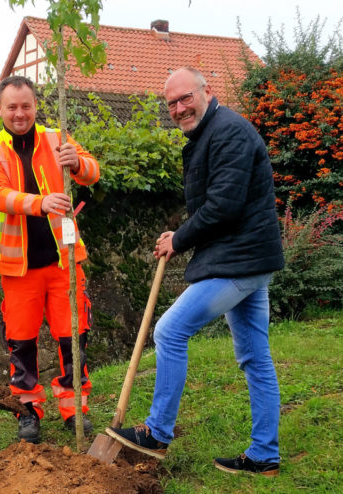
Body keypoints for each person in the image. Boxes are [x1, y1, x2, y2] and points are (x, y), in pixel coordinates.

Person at [106, 67, 284, 477]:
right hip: (249, 258)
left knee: (169, 331)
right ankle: (264, 456)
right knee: (256, 357)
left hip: (240, 261)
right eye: (172, 103)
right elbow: (217, 202)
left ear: (207, 91)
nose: (180, 108)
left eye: (186, 98)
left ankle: (157, 432)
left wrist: (179, 239)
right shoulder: (211, 132)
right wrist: (181, 232)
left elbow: (224, 206)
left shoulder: (229, 132)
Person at [0, 75, 100, 443]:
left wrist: (76, 161)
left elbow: (93, 172)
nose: (19, 113)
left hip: (64, 262)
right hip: (19, 269)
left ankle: (74, 407)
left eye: (26, 106)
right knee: (21, 343)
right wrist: (40, 203)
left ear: (35, 106)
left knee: (72, 338)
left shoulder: (57, 137)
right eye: (12, 107)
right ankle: (28, 411)